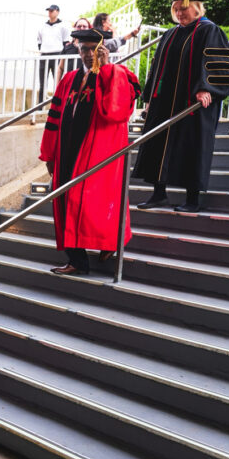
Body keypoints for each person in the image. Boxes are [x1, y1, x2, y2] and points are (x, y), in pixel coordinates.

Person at [40, 29, 141, 275]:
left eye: (93, 49)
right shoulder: (69, 79)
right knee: (66, 201)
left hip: (100, 154)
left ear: (104, 49)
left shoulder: (118, 74)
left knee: (95, 203)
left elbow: (115, 112)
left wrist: (106, 69)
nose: (88, 54)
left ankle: (109, 244)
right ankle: (77, 260)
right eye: (84, 49)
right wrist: (50, 153)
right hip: (68, 153)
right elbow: (54, 118)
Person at [133, 0, 229, 212]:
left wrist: (206, 87)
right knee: (158, 142)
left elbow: (220, 66)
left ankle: (192, 199)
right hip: (165, 101)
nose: (179, 13)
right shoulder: (171, 34)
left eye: (184, 9)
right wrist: (150, 97)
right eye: (176, 10)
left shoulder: (210, 30)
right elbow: (157, 67)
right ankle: (158, 194)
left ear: (197, 8)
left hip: (194, 103)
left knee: (193, 147)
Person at [36, 5, 71, 104]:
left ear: (57, 12)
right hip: (44, 55)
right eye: (49, 11)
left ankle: (58, 104)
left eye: (52, 10)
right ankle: (40, 107)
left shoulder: (63, 26)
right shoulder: (42, 26)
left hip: (57, 55)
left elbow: (65, 42)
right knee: (43, 83)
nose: (50, 13)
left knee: (58, 82)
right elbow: (39, 41)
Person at [55, 17, 92, 83]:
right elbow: (60, 68)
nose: (82, 28)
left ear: (89, 28)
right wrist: (58, 86)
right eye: (79, 26)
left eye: (84, 26)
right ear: (75, 28)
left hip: (86, 84)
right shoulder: (67, 47)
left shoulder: (92, 47)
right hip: (69, 82)